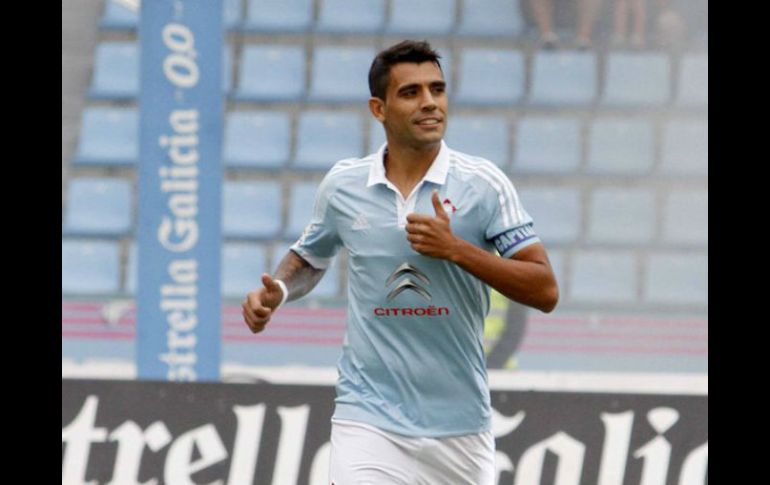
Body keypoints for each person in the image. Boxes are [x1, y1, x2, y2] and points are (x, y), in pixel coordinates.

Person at [242, 40, 559, 484]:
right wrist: (277, 290)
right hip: (368, 417)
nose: (430, 102)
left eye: (437, 90)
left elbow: (545, 290)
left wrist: (456, 249)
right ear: (379, 108)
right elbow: (310, 257)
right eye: (411, 92)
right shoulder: (344, 185)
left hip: (460, 427)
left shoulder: (484, 184)